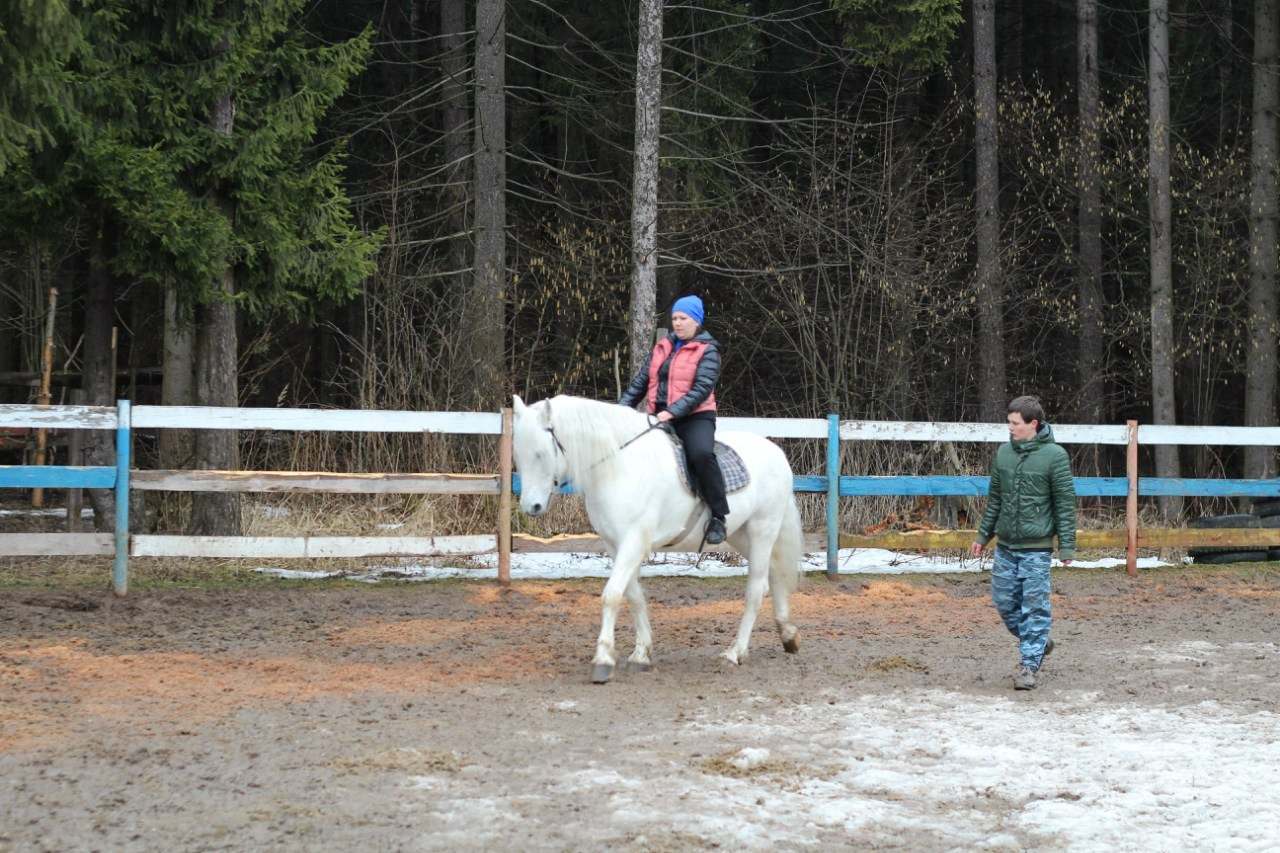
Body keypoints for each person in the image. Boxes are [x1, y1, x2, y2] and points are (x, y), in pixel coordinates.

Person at [969, 395, 1076, 691]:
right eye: (1009, 423)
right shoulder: (1004, 453)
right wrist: (983, 535)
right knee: (1004, 602)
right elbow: (995, 500)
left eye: (1015, 423)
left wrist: (1066, 545)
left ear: (1033, 424)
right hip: (1005, 546)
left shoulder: (1055, 456)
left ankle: (1029, 665)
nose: (1010, 428)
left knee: (1035, 607)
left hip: (1037, 549)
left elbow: (1064, 505)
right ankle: (1040, 641)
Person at [619, 294, 730, 545]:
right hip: (658, 416)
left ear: (696, 321)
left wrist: (673, 411)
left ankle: (718, 516)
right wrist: (621, 409)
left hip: (695, 416)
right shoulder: (663, 347)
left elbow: (701, 388)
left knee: (701, 454)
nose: (677, 323)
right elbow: (641, 382)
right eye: (674, 318)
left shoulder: (708, 350)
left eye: (683, 318)